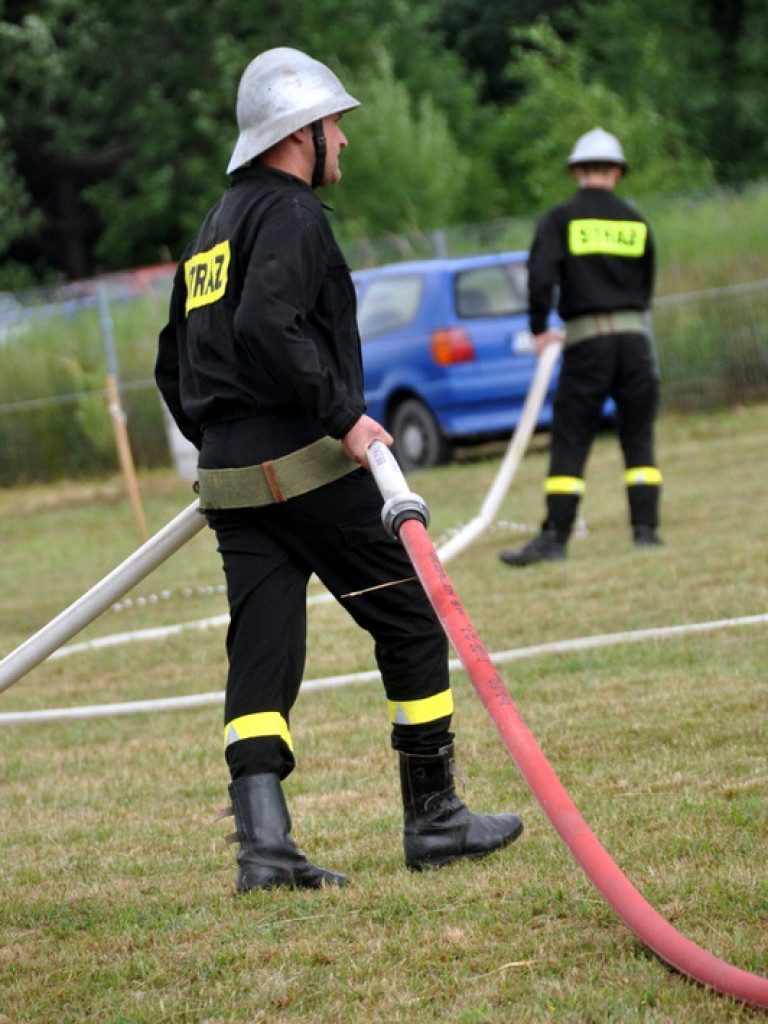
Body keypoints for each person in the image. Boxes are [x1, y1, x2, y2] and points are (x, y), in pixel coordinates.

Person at [156, 47, 523, 891]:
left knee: (262, 657)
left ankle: (265, 849)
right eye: (337, 128)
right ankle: (435, 819)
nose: (344, 145)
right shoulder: (290, 217)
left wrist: (221, 452)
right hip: (310, 467)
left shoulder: (211, 231)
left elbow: (169, 365)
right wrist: (344, 420)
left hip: (235, 484)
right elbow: (265, 324)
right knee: (412, 622)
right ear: (300, 134)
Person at [499, 127, 663, 567]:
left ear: (576, 171)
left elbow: (541, 277)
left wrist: (539, 328)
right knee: (638, 438)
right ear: (617, 172)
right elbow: (646, 287)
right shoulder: (635, 221)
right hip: (635, 342)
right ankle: (646, 531)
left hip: (588, 343)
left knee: (572, 439)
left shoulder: (561, 218)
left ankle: (555, 539)